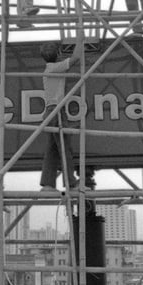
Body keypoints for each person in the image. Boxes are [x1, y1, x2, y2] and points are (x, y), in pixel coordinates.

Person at [39, 41, 85, 192]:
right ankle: (71, 183)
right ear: (57, 54)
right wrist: (80, 36)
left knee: (52, 150)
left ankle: (48, 184)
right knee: (65, 149)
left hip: (50, 111)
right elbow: (76, 57)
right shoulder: (55, 67)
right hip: (57, 111)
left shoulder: (49, 68)